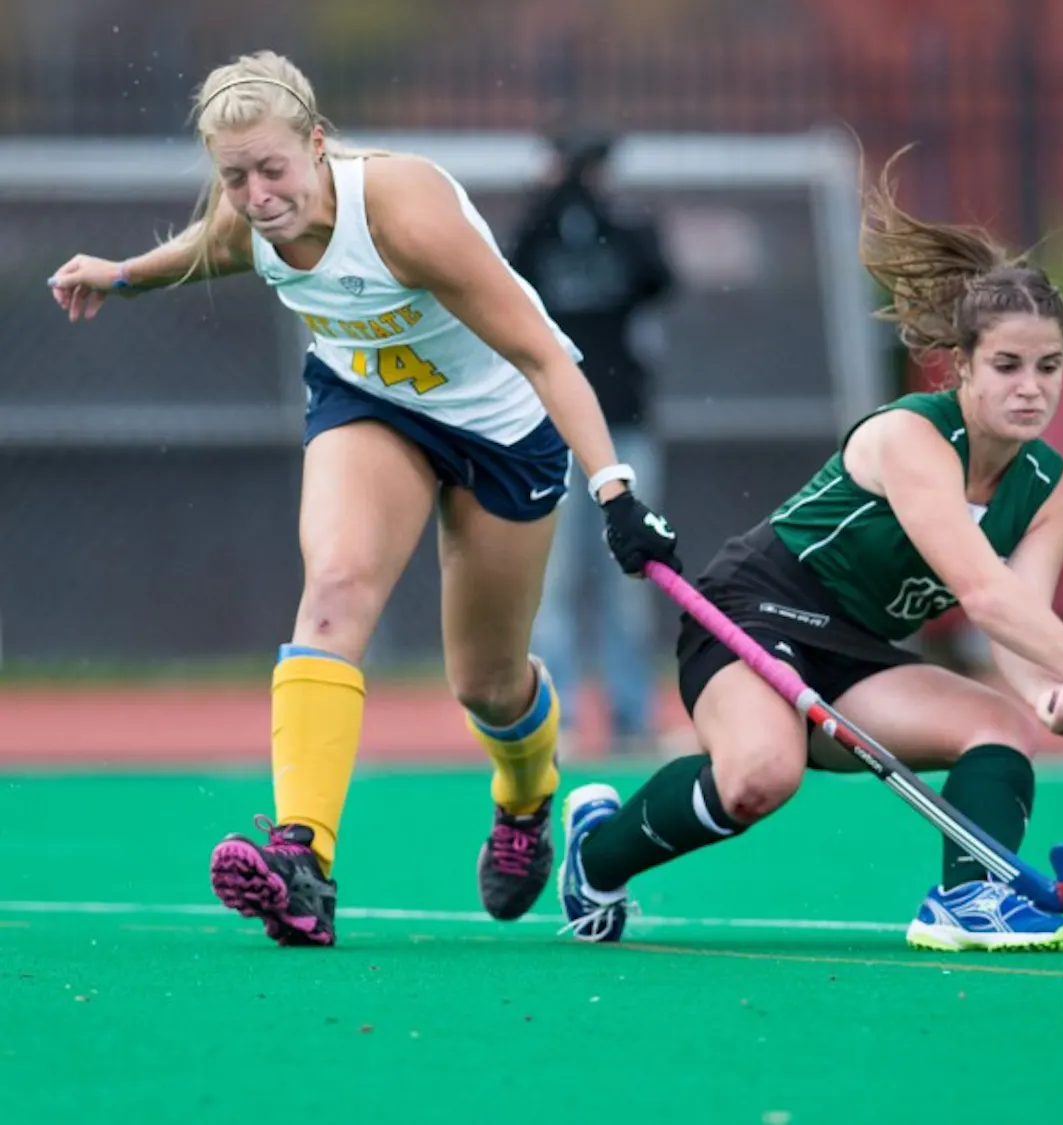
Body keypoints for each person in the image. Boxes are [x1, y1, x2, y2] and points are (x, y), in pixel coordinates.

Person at [45, 50, 681, 947]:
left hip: (504, 429)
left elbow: (543, 350)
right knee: (335, 589)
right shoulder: (252, 216)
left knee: (488, 685)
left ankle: (526, 794)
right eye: (235, 177)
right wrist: (119, 274)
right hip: (371, 405)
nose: (258, 194)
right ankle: (302, 860)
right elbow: (210, 250)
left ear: (316, 143)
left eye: (272, 169)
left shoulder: (404, 214)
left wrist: (616, 489)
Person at [554, 150, 1063, 953]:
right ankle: (595, 856)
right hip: (753, 614)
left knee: (998, 726)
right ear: (961, 364)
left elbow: (1016, 624)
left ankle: (969, 900)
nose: (1029, 387)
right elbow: (984, 591)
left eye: (1047, 366)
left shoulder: (1053, 492)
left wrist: (1056, 696)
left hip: (854, 653)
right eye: (1005, 366)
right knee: (761, 776)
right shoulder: (912, 437)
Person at [510, 129, 676, 751]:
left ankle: (634, 716)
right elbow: (508, 274)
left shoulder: (626, 230)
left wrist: (599, 206)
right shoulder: (537, 234)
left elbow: (660, 277)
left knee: (631, 576)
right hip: (546, 429)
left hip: (623, 424)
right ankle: (561, 720)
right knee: (548, 583)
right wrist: (550, 201)